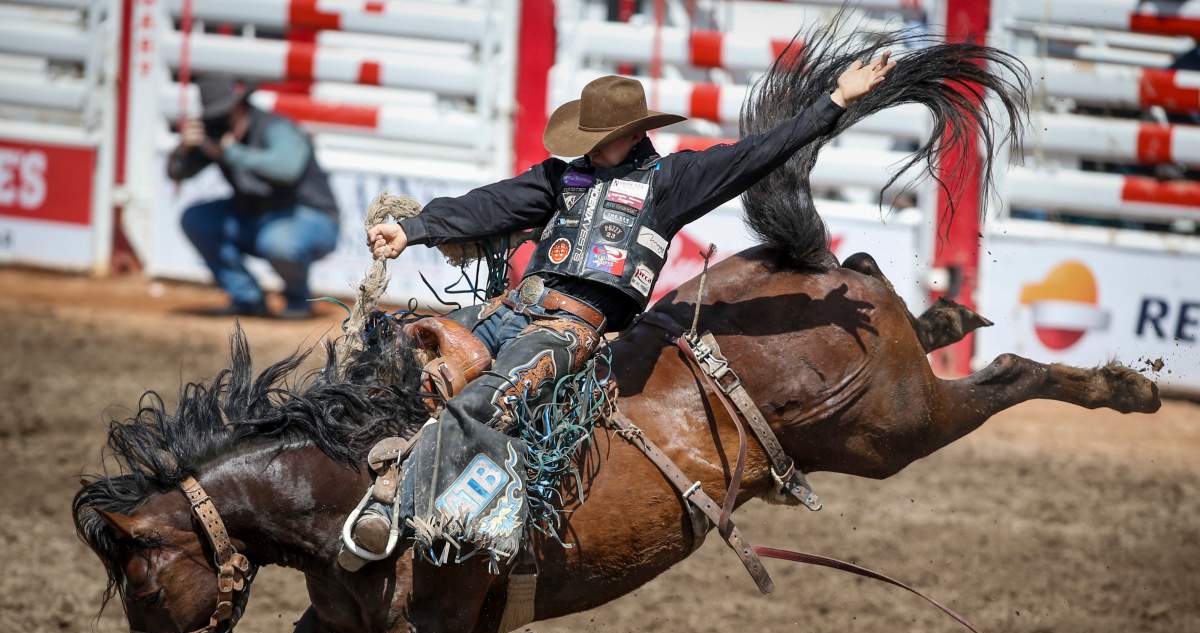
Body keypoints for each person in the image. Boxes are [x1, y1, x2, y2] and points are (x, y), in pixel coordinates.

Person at [342, 56, 895, 568]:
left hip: (569, 329)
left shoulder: (671, 183)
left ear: (631, 135)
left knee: (489, 398)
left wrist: (836, 101)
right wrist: (414, 229)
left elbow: (754, 156)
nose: (587, 148)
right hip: (512, 308)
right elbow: (492, 203)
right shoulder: (563, 178)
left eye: (597, 138)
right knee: (391, 350)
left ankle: (390, 515)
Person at [167, 75, 340, 319]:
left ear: (239, 108)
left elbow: (287, 168)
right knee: (196, 219)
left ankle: (297, 299)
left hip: (311, 218)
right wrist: (184, 149)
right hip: (256, 217)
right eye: (212, 119)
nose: (218, 124)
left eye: (222, 116)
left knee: (278, 241)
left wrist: (233, 153)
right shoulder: (219, 136)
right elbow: (177, 172)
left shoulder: (276, 127)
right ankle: (247, 298)